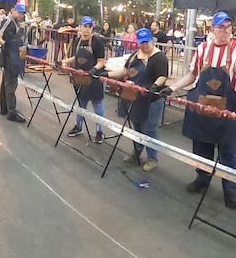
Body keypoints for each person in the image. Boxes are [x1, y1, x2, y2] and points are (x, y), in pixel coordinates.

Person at [161, 11, 236, 209]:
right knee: (201, 148)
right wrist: (172, 88)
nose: (225, 30)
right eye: (221, 27)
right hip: (201, 109)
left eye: (228, 26)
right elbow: (192, 75)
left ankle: (231, 191)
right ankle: (202, 179)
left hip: (228, 109)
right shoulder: (202, 49)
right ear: (213, 29)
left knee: (228, 152)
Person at [107, 28, 168, 171]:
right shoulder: (135, 55)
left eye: (146, 42)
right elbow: (124, 71)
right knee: (137, 126)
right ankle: (137, 151)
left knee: (150, 128)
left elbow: (163, 76)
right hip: (136, 98)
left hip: (152, 99)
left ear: (151, 40)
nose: (144, 46)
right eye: (141, 43)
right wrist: (106, 74)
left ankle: (152, 158)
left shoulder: (159, 57)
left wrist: (155, 85)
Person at [62, 16, 107, 144]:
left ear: (92, 28)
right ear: (80, 27)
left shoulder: (97, 42)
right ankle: (78, 127)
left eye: (89, 27)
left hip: (94, 79)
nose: (87, 29)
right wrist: (65, 61)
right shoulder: (77, 41)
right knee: (81, 103)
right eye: (84, 27)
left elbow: (101, 61)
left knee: (97, 104)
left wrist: (93, 70)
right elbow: (76, 58)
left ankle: (99, 131)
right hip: (80, 78)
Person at [0, 4, 28, 123]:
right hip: (10, 57)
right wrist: (7, 45)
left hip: (13, 56)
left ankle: (5, 108)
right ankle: (11, 112)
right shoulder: (8, 21)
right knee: (11, 85)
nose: (21, 15)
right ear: (13, 11)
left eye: (23, 13)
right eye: (19, 12)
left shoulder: (17, 23)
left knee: (6, 83)